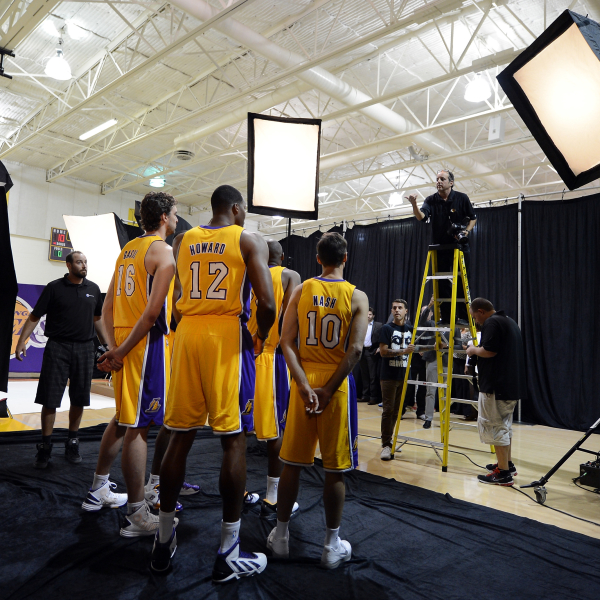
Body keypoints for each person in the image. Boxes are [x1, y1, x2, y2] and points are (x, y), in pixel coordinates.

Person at [151, 185, 276, 581]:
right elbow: (268, 304)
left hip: (187, 333)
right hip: (225, 335)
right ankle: (228, 551)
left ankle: (163, 538)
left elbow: (178, 296)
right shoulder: (248, 238)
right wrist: (255, 338)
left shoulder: (183, 238)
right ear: (237, 209)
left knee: (179, 434)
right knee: (233, 438)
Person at [266, 232, 368, 569]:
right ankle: (330, 544)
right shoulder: (358, 297)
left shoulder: (301, 289)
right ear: (346, 258)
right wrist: (328, 389)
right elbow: (354, 350)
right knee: (334, 468)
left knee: (293, 462)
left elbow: (286, 341)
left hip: (303, 379)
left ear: (317, 258)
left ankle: (281, 536)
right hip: (335, 384)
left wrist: (303, 384)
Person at [81, 192, 179, 537]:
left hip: (124, 340)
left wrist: (111, 346)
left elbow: (106, 307)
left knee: (123, 417)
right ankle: (137, 513)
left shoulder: (128, 250)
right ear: (165, 217)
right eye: (176, 212)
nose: (178, 218)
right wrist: (121, 351)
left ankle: (98, 488)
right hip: (145, 345)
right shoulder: (163, 251)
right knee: (138, 425)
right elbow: (153, 313)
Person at [14, 251, 106, 468]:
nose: (83, 265)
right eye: (79, 262)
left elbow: (98, 320)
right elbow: (34, 316)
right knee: (50, 398)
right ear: (68, 265)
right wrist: (21, 341)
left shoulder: (93, 289)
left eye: (85, 262)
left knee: (79, 397)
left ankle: (72, 441)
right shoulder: (54, 287)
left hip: (85, 348)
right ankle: (45, 446)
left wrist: (107, 346)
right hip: (58, 347)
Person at [246, 240, 301, 518]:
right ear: (283, 257)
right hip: (273, 356)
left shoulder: (248, 274)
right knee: (277, 430)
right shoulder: (289, 276)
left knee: (240, 427)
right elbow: (291, 320)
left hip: (245, 356)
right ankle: (272, 494)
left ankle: (240, 490)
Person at [466, 298, 526, 486]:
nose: (475, 320)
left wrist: (473, 350)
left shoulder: (492, 322)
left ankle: (503, 474)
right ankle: (506, 463)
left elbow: (489, 351)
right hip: (510, 386)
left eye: (474, 315)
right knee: (505, 426)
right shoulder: (509, 321)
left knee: (496, 426)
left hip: (496, 387)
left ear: (481, 311)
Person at [406, 170, 476, 323]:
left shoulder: (462, 198)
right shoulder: (431, 200)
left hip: (459, 246)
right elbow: (421, 217)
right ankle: (446, 317)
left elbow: (473, 218)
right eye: (437, 179)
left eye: (442, 179)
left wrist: (466, 232)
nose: (438, 181)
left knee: (462, 282)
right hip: (440, 247)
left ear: (451, 182)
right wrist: (414, 205)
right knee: (442, 282)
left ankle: (464, 316)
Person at [378, 299, 415, 459]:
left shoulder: (410, 329)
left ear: (406, 311)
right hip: (388, 375)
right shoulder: (386, 328)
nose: (397, 310)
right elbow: (383, 352)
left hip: (404, 375)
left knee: (397, 412)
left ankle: (389, 441)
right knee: (388, 410)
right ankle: (385, 445)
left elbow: (416, 349)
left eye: (400, 308)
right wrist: (402, 351)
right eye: (394, 308)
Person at [360, 307, 382, 405]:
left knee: (373, 376)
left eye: (370, 314)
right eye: (367, 314)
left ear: (373, 316)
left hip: (372, 351)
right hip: (362, 352)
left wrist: (380, 347)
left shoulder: (378, 325)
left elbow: (383, 337)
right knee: (364, 375)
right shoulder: (361, 324)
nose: (368, 316)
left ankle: (373, 397)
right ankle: (365, 396)